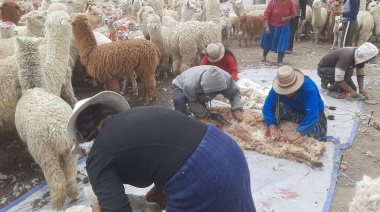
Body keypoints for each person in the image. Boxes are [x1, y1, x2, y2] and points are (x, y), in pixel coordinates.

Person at [66, 91, 256, 212]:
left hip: (201, 178)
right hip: (229, 152)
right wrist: (156, 195)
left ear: (84, 140)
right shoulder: (138, 116)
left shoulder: (98, 155)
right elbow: (171, 153)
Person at [262, 65, 327, 141]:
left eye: (290, 90)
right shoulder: (277, 88)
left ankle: (302, 128)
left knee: (311, 137)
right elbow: (267, 107)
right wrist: (272, 126)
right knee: (272, 114)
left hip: (312, 115)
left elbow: (312, 115)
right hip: (291, 110)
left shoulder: (309, 88)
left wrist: (298, 134)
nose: (287, 93)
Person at [171, 65, 243, 121]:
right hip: (181, 85)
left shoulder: (227, 79)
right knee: (179, 99)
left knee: (206, 97)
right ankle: (183, 120)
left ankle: (201, 107)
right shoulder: (190, 84)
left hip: (200, 88)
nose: (215, 93)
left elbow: (234, 93)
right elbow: (192, 102)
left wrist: (237, 109)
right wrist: (208, 114)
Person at [261, 0, 296, 66]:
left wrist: (287, 18)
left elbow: (293, 14)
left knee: (283, 42)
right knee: (268, 42)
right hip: (271, 25)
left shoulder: (289, 2)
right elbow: (266, 15)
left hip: (284, 26)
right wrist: (266, 26)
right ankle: (264, 55)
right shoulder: (273, 2)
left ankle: (279, 61)